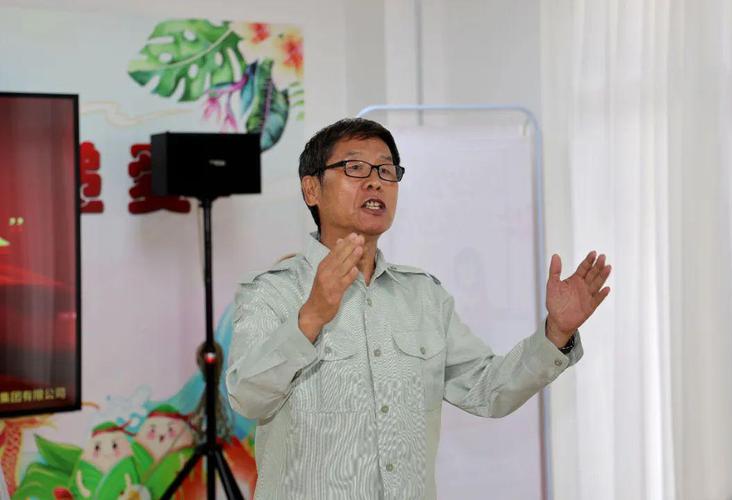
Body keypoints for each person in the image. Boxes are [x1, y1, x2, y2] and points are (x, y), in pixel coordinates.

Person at [226, 118, 611, 499]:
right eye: (355, 167)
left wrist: (556, 333)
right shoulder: (272, 292)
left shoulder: (423, 296)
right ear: (312, 189)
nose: (375, 181)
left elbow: (487, 390)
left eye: (386, 170)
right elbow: (246, 397)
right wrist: (311, 316)